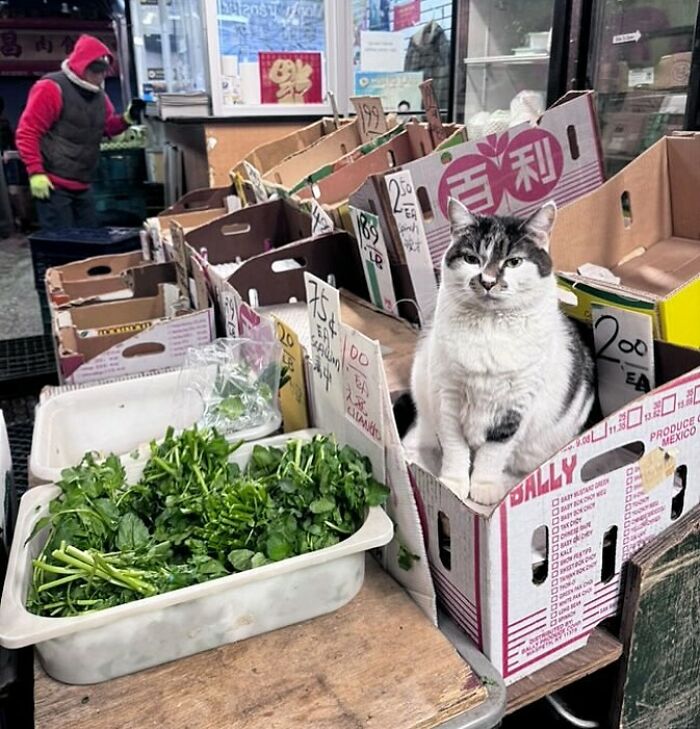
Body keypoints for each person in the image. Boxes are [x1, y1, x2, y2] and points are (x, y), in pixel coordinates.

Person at [15, 34, 145, 229]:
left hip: (82, 182)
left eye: (104, 72)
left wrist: (127, 119)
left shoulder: (99, 95)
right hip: (53, 183)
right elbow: (27, 132)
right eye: (95, 71)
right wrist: (35, 172)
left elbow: (107, 127)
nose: (100, 77)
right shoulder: (50, 88)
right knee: (63, 247)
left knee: (89, 243)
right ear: (81, 67)